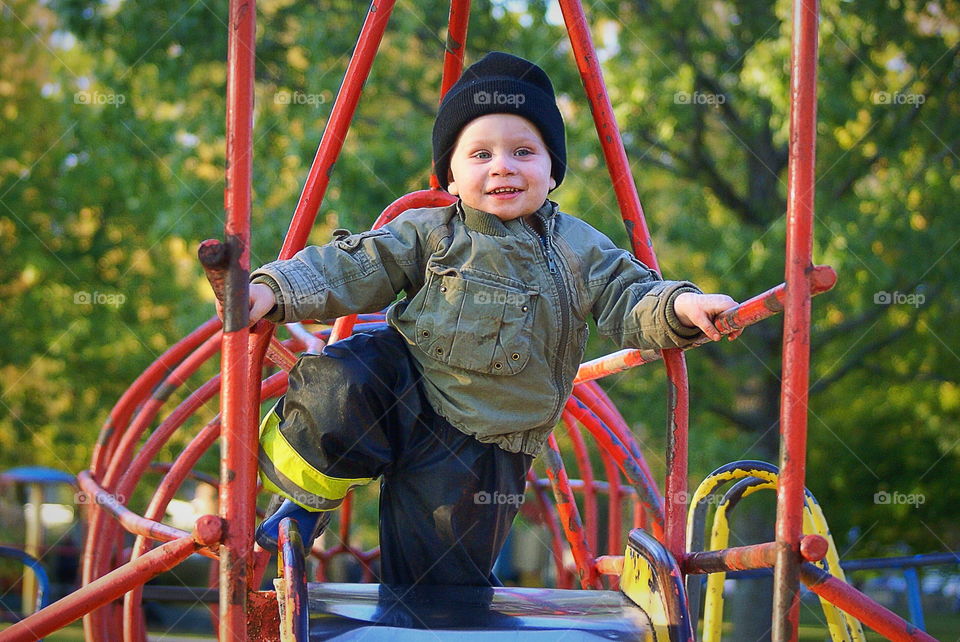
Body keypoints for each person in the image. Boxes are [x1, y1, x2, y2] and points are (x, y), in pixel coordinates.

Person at [242, 52, 740, 586]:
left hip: (485, 445)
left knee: (436, 583)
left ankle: (444, 606)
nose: (503, 166)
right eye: (480, 154)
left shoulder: (577, 247)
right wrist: (273, 290)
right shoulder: (431, 231)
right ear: (451, 176)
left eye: (524, 151)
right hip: (407, 383)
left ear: (552, 172)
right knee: (339, 379)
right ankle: (303, 503)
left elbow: (629, 293)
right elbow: (356, 264)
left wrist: (682, 307)